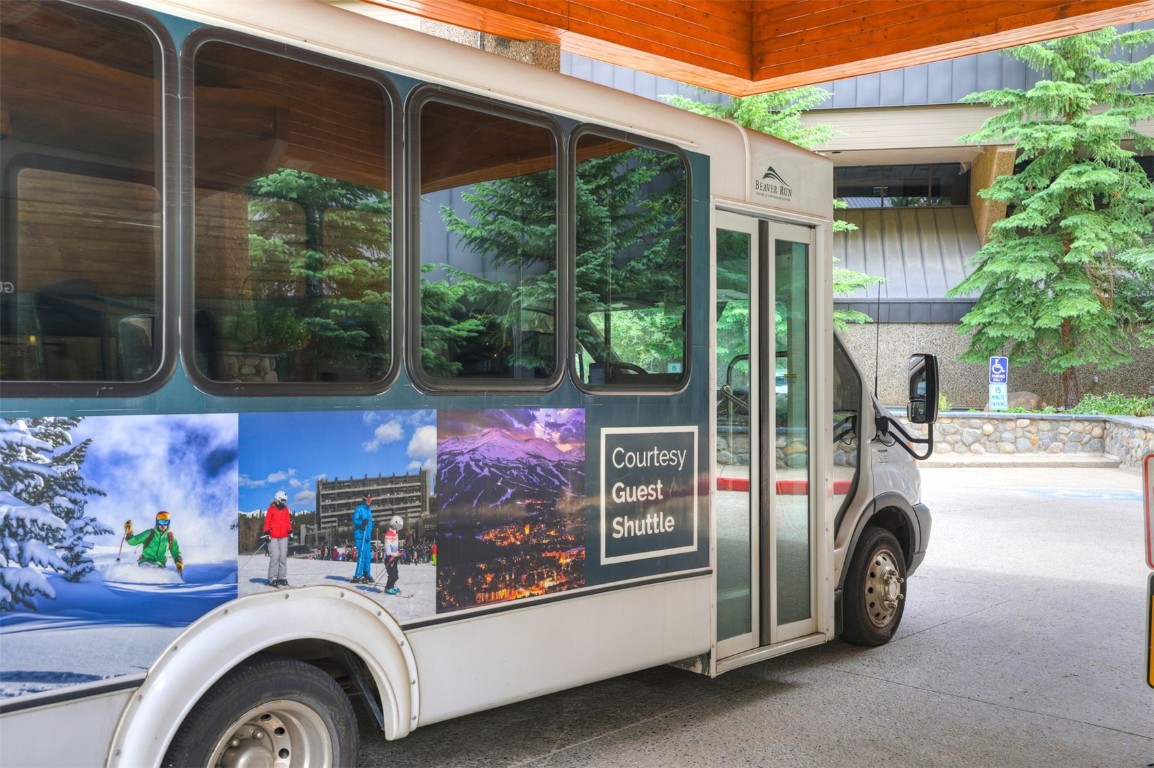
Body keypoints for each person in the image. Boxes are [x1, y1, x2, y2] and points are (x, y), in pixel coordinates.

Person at [263, 490, 293, 587]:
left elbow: (288, 522)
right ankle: (272, 578)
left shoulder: (285, 510)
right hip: (273, 536)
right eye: (283, 500)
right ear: (278, 499)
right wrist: (267, 532)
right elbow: (267, 522)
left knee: (283, 556)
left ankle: (281, 577)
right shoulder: (271, 509)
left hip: (284, 536)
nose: (284, 502)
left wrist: (290, 531)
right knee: (275, 556)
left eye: (285, 501)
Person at [351, 494, 374, 584]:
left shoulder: (369, 510)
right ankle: (358, 575)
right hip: (360, 536)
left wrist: (373, 524)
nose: (370, 501)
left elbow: (369, 523)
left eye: (371, 499)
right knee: (361, 556)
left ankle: (366, 573)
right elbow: (354, 521)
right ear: (365, 499)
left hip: (367, 537)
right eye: (368, 499)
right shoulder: (359, 509)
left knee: (368, 556)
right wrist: (362, 523)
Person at [383, 515, 403, 594]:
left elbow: (394, 546)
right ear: (395, 524)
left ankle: (392, 586)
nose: (399, 528)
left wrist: (397, 552)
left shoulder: (394, 534)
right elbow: (388, 546)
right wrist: (390, 554)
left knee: (396, 575)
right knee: (392, 575)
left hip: (394, 557)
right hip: (389, 557)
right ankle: (388, 588)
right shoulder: (389, 534)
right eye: (398, 526)